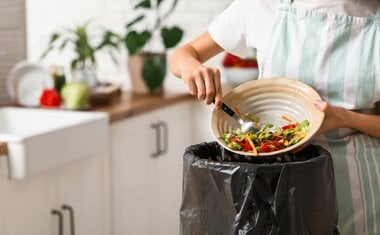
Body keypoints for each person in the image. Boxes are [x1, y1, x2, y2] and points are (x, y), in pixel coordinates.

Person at [169, 0, 380, 234]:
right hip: (273, 186)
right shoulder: (265, 5)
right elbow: (184, 54)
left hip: (353, 185)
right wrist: (190, 65)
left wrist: (344, 118)